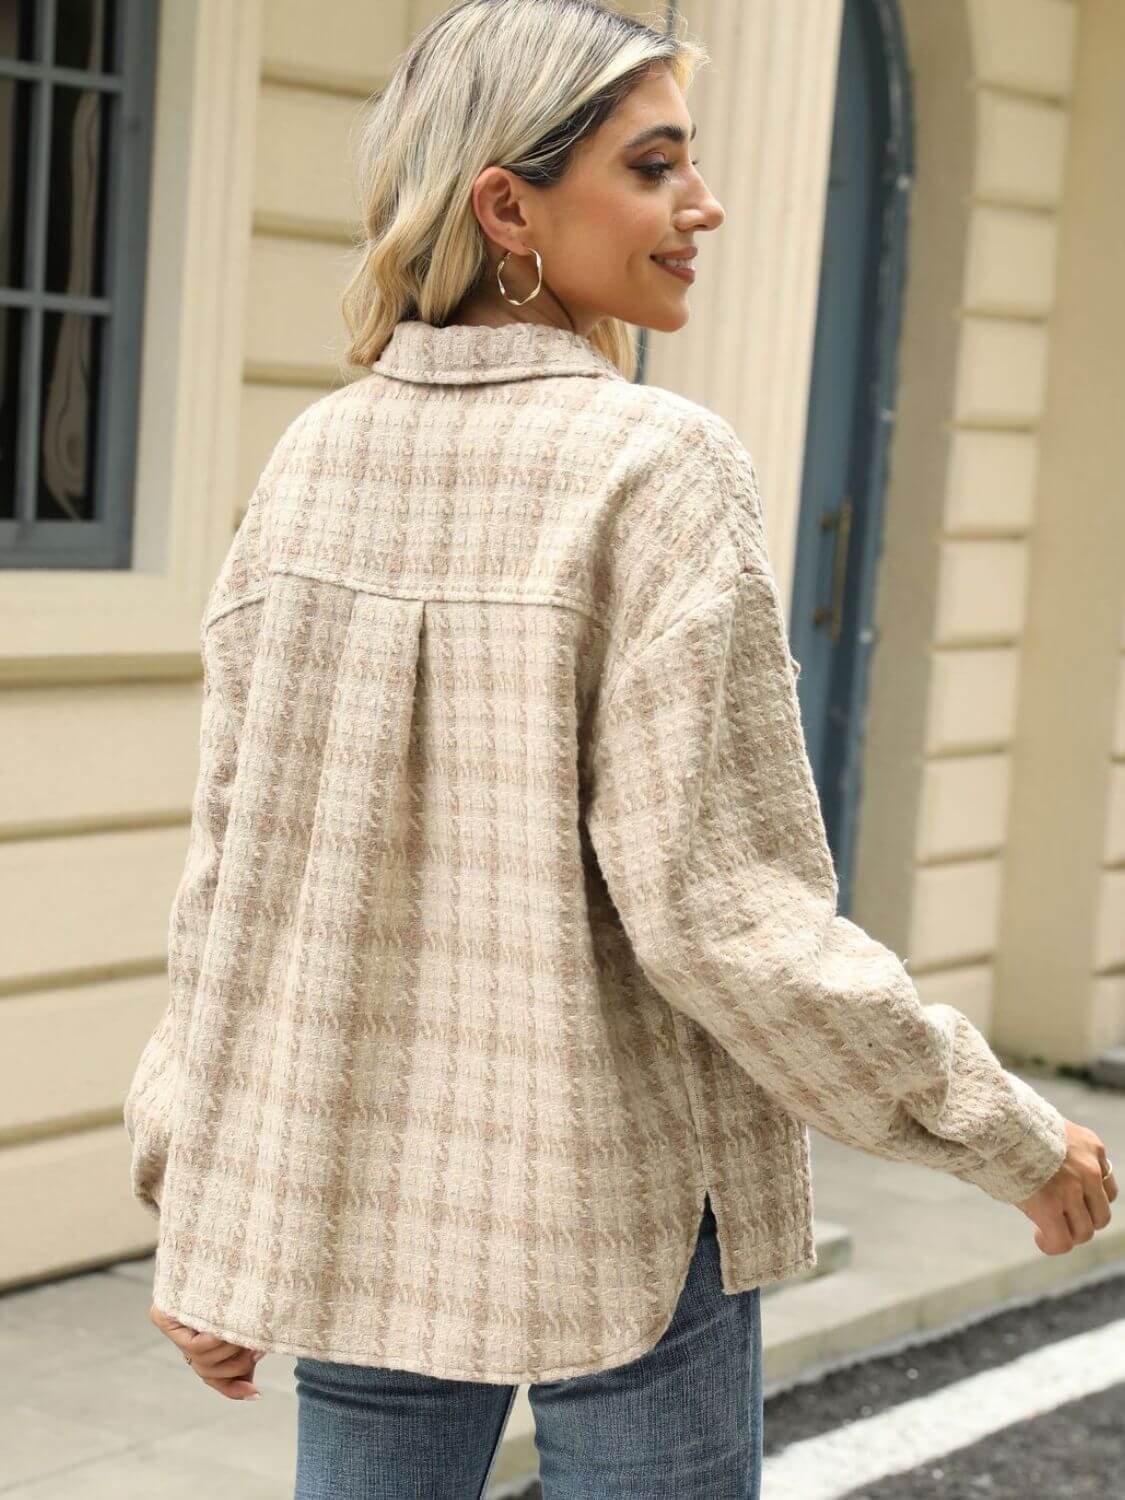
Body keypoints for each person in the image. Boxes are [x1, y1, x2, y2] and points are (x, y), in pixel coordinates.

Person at [125, 2, 1116, 1496]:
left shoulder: (312, 461)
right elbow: (720, 911)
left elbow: (231, 881)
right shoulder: (657, 468)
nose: (700, 206)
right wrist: (1002, 1130)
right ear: (506, 207)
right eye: (654, 168)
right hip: (630, 1200)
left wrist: (193, 1186)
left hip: (363, 1186)